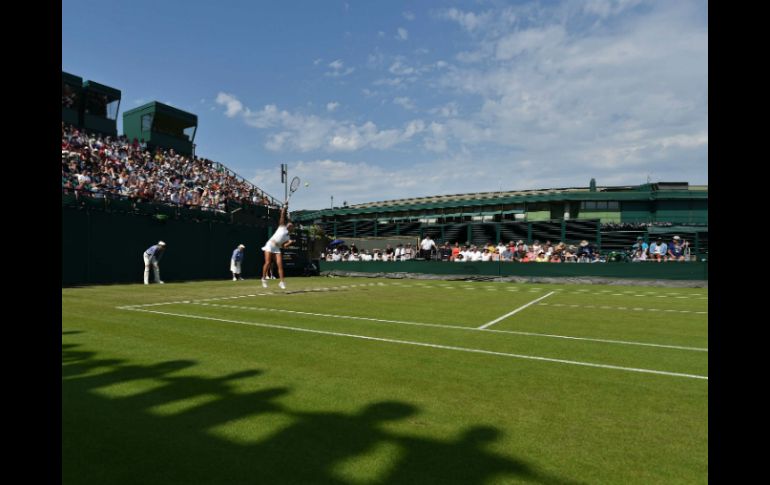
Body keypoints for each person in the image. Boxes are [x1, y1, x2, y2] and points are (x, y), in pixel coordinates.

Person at [261, 205, 295, 289]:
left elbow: (284, 246)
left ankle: (282, 282)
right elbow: (282, 215)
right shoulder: (282, 226)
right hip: (269, 245)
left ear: (291, 228)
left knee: (280, 265)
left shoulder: (288, 238)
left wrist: (289, 243)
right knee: (268, 262)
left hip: (276, 248)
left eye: (291, 225)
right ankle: (264, 279)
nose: (290, 224)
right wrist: (284, 208)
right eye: (289, 224)